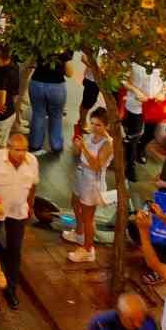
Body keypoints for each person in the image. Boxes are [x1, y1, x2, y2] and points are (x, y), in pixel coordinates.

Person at [0, 134, 37, 309]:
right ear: (8, 147)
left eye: (24, 150)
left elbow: (34, 185)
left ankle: (11, 288)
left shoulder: (32, 161)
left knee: (15, 249)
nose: (21, 154)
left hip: (18, 212)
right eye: (17, 150)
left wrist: (30, 205)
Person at [66, 106, 112, 263]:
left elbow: (97, 165)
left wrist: (83, 147)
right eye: (92, 123)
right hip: (81, 174)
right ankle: (79, 234)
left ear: (107, 126)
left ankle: (88, 249)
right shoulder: (90, 136)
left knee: (88, 217)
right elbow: (80, 155)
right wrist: (77, 146)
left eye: (98, 125)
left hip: (93, 181)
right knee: (75, 202)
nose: (94, 127)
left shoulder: (108, 144)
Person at [27, 51, 71, 153]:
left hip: (37, 83)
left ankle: (35, 144)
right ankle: (56, 145)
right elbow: (69, 73)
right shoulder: (66, 46)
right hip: (57, 86)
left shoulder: (39, 39)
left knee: (38, 114)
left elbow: (31, 62)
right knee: (56, 116)